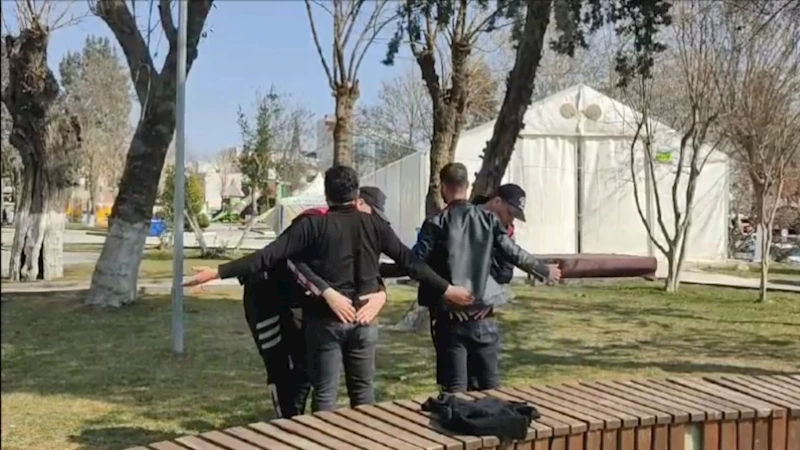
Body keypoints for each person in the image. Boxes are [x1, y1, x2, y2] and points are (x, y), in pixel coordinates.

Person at [185, 165, 474, 411]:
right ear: (357, 196)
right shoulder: (374, 226)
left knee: (324, 394)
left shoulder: (312, 226)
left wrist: (217, 272)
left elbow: (266, 256)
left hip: (326, 322)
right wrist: (448, 290)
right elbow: (409, 263)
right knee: (362, 392)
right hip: (361, 321)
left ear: (326, 195)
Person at [383, 163, 560, 393]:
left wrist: (379, 269)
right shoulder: (489, 220)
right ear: (466, 186)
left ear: (443, 188)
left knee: (455, 390)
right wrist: (544, 271)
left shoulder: (436, 223)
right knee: (491, 389)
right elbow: (514, 253)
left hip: (449, 317)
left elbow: (413, 263)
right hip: (483, 315)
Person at [239, 186, 389, 418]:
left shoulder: (355, 231)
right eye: (372, 214)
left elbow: (366, 271)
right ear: (358, 203)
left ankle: (299, 421)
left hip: (301, 300)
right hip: (266, 294)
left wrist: (381, 293)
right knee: (281, 367)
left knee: (307, 366)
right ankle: (288, 422)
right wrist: (327, 293)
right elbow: (289, 260)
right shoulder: (315, 221)